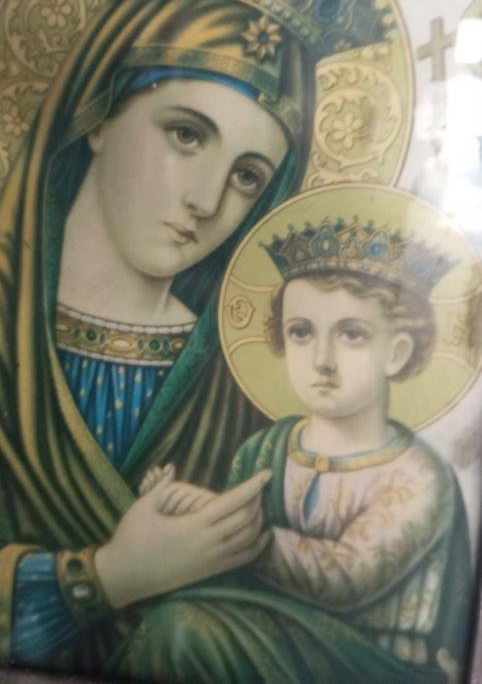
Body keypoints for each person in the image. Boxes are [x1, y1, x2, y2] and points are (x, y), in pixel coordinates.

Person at [0, 0, 390, 673]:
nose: (207, 201)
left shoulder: (248, 380)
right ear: (97, 113)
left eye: (248, 177)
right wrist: (107, 577)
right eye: (187, 135)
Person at [128, 217, 472, 684]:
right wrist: (181, 516)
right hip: (271, 634)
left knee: (182, 632)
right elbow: (229, 577)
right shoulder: (264, 450)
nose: (322, 361)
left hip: (370, 666)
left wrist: (230, 528)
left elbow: (347, 577)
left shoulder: (418, 476)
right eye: (301, 332)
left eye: (352, 334)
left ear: (396, 353)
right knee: (168, 623)